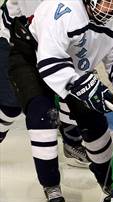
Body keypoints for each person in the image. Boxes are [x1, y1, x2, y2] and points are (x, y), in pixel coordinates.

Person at [7, 0, 113, 202]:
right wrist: (82, 86)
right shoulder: (62, 9)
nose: (110, 10)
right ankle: (50, 183)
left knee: (94, 119)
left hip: (75, 69)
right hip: (32, 59)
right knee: (42, 114)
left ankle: (111, 180)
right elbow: (50, 62)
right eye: (105, 2)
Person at [0, 0, 89, 167]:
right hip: (16, 37)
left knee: (74, 84)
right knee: (11, 105)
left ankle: (72, 141)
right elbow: (39, 20)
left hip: (53, 35)